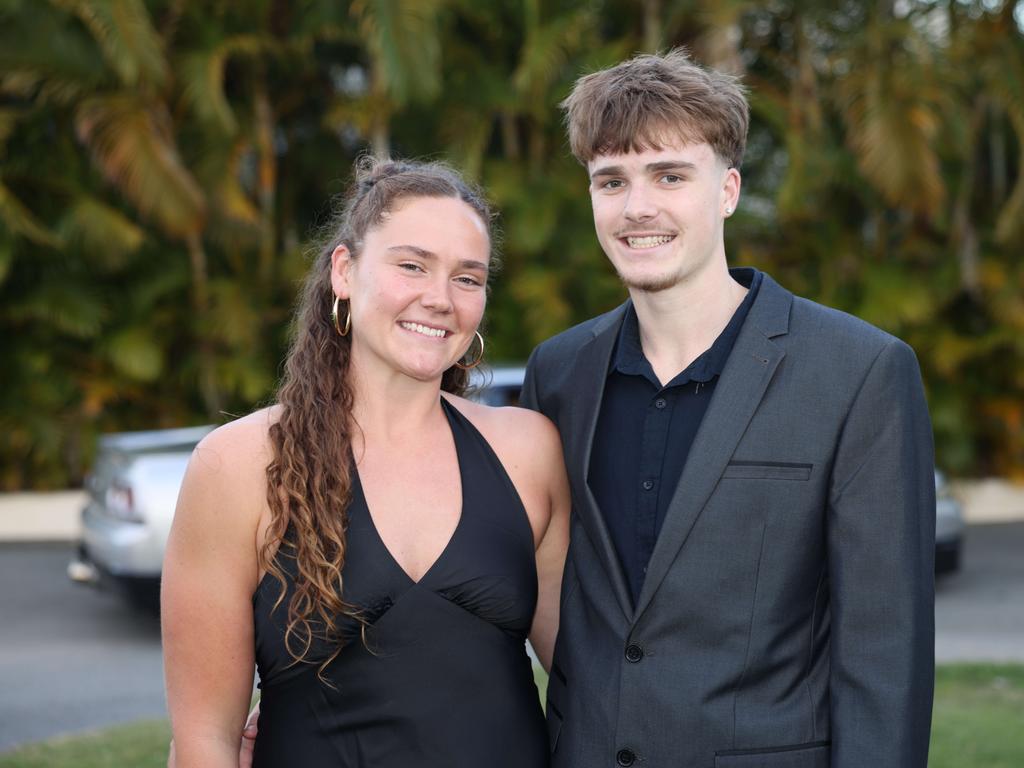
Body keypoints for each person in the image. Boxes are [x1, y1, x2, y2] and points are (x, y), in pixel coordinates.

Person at [519, 49, 936, 767]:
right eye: (610, 180)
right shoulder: (558, 375)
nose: (637, 207)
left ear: (729, 190)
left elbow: (884, 655)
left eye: (669, 176)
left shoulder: (859, 372)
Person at [161, 157, 570, 768]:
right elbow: (203, 741)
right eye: (412, 266)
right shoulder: (237, 466)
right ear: (345, 272)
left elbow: (593, 683)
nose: (439, 299)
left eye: (468, 278)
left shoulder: (528, 451)